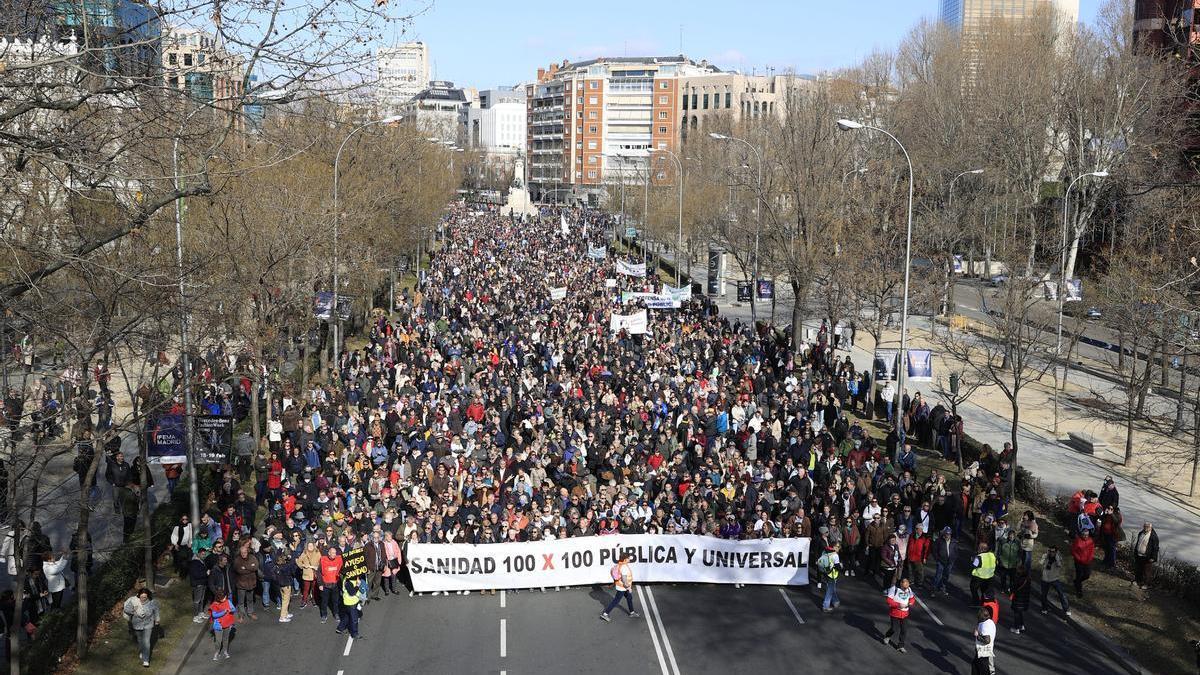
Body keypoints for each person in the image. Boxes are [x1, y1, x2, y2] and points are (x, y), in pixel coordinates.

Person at [122, 588, 160, 668]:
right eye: (141, 597)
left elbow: (156, 610)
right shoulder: (134, 601)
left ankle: (146, 660)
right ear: (139, 596)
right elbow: (126, 609)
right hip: (137, 624)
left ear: (148, 596)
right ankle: (142, 651)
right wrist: (134, 611)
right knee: (140, 641)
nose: (143, 599)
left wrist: (157, 619)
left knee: (146, 641)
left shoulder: (152, 602)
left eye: (145, 597)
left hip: (148, 625)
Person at [600, 552, 639, 622]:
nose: (629, 559)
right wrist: (628, 588)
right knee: (616, 601)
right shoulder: (624, 568)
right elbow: (624, 580)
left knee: (629, 597)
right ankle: (605, 614)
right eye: (628, 558)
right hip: (623, 587)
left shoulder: (619, 564)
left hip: (621, 586)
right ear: (625, 559)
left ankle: (632, 612)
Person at [882, 578, 914, 654]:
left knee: (904, 630)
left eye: (907, 584)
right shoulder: (894, 589)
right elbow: (889, 600)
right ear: (901, 584)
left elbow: (912, 598)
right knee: (894, 628)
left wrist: (911, 603)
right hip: (895, 613)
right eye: (905, 584)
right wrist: (898, 605)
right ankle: (887, 636)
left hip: (905, 614)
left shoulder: (909, 589)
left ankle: (901, 646)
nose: (906, 587)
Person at [1039, 545, 1070, 616]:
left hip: (1054, 579)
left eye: (1053, 552)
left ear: (1056, 552)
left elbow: (1059, 565)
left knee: (1061, 594)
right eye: (1050, 551)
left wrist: (1056, 557)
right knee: (1043, 595)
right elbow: (1040, 563)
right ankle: (1044, 608)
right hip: (1045, 579)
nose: (1051, 553)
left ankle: (1066, 609)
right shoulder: (1046, 557)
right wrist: (1044, 556)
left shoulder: (1058, 558)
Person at [208, 588, 235, 661]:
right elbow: (214, 615)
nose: (225, 598)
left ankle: (225, 651)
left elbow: (233, 609)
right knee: (218, 641)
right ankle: (217, 652)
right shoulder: (215, 604)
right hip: (218, 626)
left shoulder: (228, 601)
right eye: (223, 598)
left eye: (225, 597)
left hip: (227, 624)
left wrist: (231, 610)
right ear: (218, 598)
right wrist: (223, 612)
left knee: (226, 639)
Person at [335, 575, 365, 639]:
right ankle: (355, 634)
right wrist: (357, 585)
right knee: (354, 619)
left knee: (347, 616)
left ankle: (340, 628)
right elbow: (352, 592)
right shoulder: (348, 582)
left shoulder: (350, 578)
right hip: (351, 603)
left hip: (350, 602)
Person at [1132, 522, 1159, 590]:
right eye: (1144, 526)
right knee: (1138, 569)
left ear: (1150, 528)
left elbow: (1155, 548)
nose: (1145, 528)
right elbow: (1138, 542)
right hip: (1139, 555)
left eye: (1147, 527)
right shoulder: (1141, 533)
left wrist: (1153, 557)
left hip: (1147, 557)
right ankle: (1138, 581)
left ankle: (1146, 584)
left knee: (1147, 572)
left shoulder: (1153, 536)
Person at [931, 526, 956, 596]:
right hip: (941, 562)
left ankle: (942, 588)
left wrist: (953, 560)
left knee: (946, 576)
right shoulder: (939, 541)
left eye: (949, 534)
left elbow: (956, 551)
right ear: (944, 534)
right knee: (938, 576)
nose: (948, 535)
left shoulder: (954, 542)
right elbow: (934, 551)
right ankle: (933, 590)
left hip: (949, 562)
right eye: (946, 534)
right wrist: (937, 559)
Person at [817, 542, 842, 612]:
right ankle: (825, 606)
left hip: (825, 573)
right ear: (834, 547)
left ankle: (836, 601)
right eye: (837, 547)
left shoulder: (825, 551)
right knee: (830, 590)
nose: (839, 548)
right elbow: (837, 567)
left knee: (831, 587)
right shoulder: (835, 555)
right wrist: (841, 566)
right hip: (832, 574)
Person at [1070, 530, 1095, 598]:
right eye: (1084, 535)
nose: (1086, 536)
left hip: (1087, 561)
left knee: (1087, 575)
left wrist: (1090, 558)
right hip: (1079, 562)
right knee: (1079, 575)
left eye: (1087, 535)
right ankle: (1079, 590)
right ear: (1081, 535)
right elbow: (1073, 551)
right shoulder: (1077, 541)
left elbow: (1092, 551)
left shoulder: (1090, 540)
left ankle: (1077, 581)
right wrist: (1079, 559)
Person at [970, 541, 995, 606]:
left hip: (978, 577)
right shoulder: (992, 555)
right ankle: (983, 603)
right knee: (984, 591)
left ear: (982, 549)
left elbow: (974, 565)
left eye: (979, 547)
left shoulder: (979, 557)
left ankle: (976, 602)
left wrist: (972, 560)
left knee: (973, 589)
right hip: (989, 578)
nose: (978, 548)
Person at [973, 606, 997, 675]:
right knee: (975, 666)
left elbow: (987, 640)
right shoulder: (990, 622)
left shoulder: (985, 625)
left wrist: (977, 635)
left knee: (983, 670)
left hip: (983, 652)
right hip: (983, 651)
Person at [1009, 564, 1031, 635]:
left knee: (1016, 614)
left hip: (1018, 600)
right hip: (1025, 600)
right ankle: (1021, 625)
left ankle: (1016, 628)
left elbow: (1014, 588)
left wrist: (1011, 590)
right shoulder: (1028, 579)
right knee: (1020, 613)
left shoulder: (1018, 579)